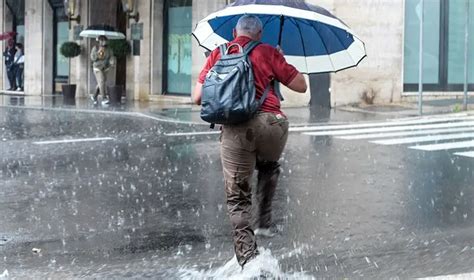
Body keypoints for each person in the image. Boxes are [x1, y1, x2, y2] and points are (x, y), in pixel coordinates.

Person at [192, 15, 307, 267]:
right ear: (259, 34)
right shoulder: (268, 52)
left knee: (237, 198)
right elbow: (301, 86)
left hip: (235, 130)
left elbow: (197, 97)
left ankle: (249, 260)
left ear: (234, 31)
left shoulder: (217, 54)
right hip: (272, 124)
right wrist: (278, 60)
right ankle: (264, 219)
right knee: (268, 163)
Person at [90, 35, 114, 105]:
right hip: (97, 68)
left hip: (105, 68)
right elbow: (92, 58)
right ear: (99, 41)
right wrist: (98, 54)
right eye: (102, 40)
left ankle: (94, 96)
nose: (104, 42)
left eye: (105, 40)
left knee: (101, 83)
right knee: (101, 81)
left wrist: (112, 61)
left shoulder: (109, 49)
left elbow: (111, 56)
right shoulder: (96, 48)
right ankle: (104, 98)